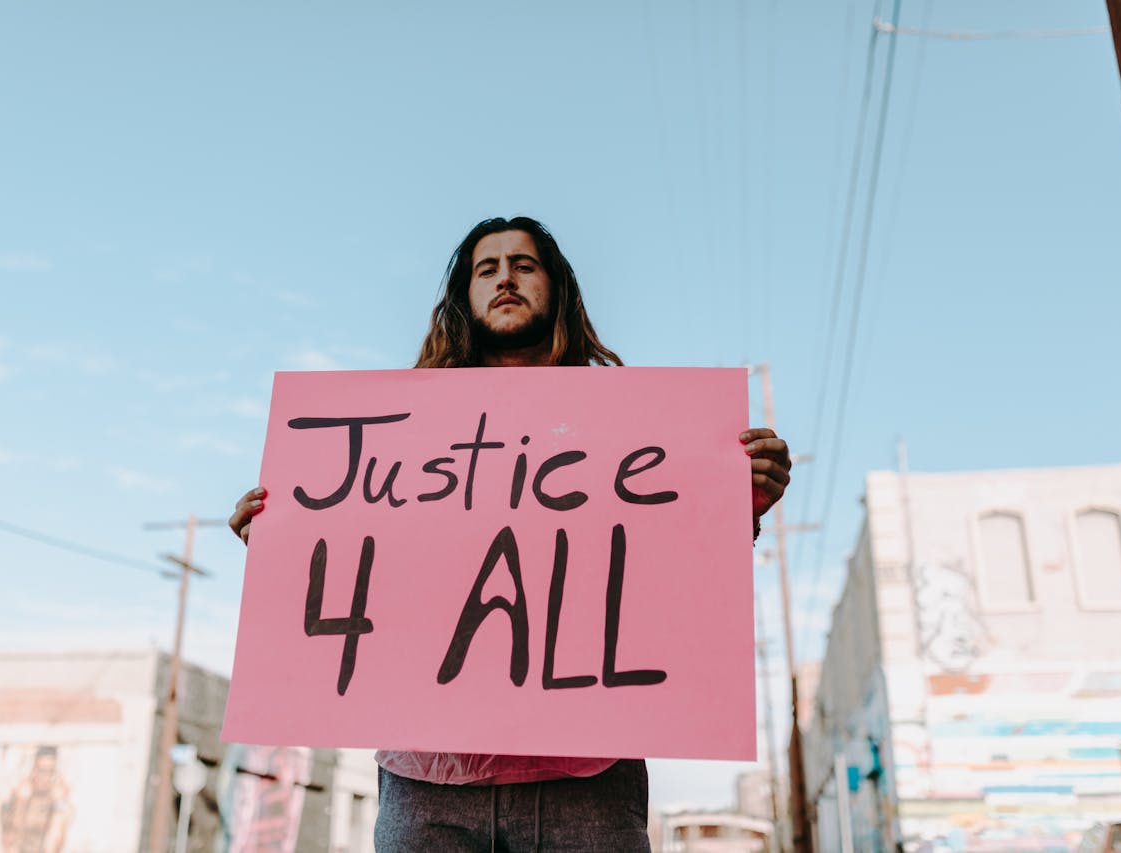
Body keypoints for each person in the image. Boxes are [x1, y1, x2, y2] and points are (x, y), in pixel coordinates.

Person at [229, 216, 791, 852]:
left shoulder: (629, 424)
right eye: (486, 268)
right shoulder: (409, 435)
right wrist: (286, 542)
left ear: (556, 288)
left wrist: (737, 504)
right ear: (464, 296)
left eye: (524, 266)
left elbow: (659, 570)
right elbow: (384, 568)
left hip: (587, 781)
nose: (504, 278)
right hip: (428, 784)